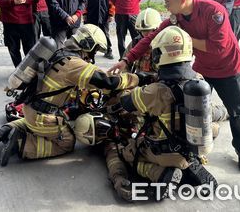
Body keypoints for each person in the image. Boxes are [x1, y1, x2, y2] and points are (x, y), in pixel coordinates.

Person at [109, 0, 240, 173]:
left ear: (182, 0)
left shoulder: (213, 12)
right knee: (190, 109)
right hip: (202, 68)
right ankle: (192, 147)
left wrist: (183, 38)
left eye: (168, 2)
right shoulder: (177, 18)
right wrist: (126, 59)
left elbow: (217, 47)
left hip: (227, 69)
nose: (166, 6)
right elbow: (152, 37)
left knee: (237, 111)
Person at [76, 26, 222, 201]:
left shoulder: (155, 92)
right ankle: (191, 166)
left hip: (164, 152)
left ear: (161, 53)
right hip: (193, 146)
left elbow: (127, 103)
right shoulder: (198, 80)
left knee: (126, 152)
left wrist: (131, 85)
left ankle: (162, 175)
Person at [0, 24, 145, 166]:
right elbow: (107, 82)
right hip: (43, 117)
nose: (93, 56)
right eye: (94, 50)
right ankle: (21, 144)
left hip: (30, 109)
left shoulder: (60, 53)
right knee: (66, 142)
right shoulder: (74, 64)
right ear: (88, 44)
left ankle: (7, 129)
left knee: (37, 122)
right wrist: (136, 78)